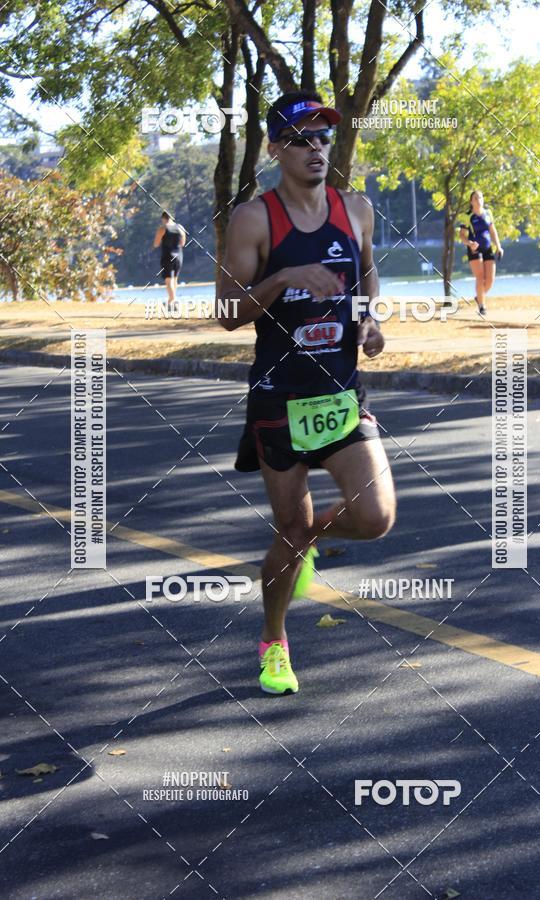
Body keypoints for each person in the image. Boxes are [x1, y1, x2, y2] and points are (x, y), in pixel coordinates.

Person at [218, 91, 396, 696]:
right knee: (288, 532)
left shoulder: (357, 209)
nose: (315, 148)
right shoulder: (254, 219)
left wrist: (369, 319)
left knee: (374, 517)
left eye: (322, 137)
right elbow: (226, 313)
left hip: (341, 391)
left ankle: (301, 542)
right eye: (300, 138)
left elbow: (366, 272)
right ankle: (274, 640)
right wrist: (286, 276)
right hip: (279, 399)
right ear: (275, 149)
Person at [458, 190, 503, 315]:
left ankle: (479, 297)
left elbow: (493, 231)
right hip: (474, 248)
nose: (479, 200)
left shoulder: (488, 213)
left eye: (481, 198)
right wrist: (469, 243)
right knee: (480, 276)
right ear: (471, 201)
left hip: (487, 247)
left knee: (490, 280)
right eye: (476, 198)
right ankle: (482, 306)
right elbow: (462, 235)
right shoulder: (467, 216)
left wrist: (498, 246)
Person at [153, 211, 186, 306]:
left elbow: (156, 243)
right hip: (179, 255)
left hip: (168, 255)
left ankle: (173, 300)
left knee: (168, 280)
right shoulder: (180, 228)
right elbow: (182, 243)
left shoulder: (163, 228)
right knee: (175, 279)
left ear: (163, 218)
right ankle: (171, 301)